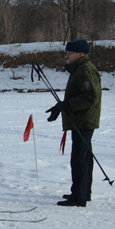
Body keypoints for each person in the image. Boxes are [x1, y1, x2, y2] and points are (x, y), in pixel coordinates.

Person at [47, 38, 101, 207]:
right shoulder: (79, 69)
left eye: (70, 53)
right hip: (81, 119)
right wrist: (60, 107)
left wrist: (68, 105)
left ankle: (79, 197)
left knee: (79, 158)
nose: (67, 56)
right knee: (83, 157)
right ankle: (82, 192)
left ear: (81, 54)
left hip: (84, 120)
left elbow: (90, 97)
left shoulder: (85, 70)